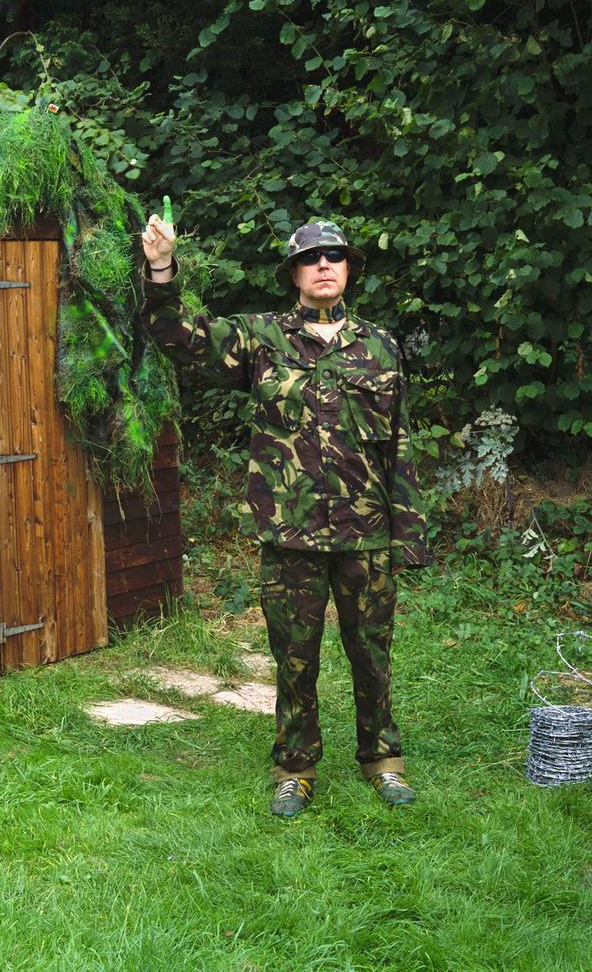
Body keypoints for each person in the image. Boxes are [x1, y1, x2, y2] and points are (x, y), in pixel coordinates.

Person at [138, 215, 433, 816]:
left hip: (365, 533)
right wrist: (163, 267)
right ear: (294, 273)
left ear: (349, 269)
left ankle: (383, 761)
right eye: (311, 258)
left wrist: (410, 532)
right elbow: (177, 335)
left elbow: (400, 443)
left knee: (372, 653)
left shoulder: (381, 347)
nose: (324, 266)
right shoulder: (262, 338)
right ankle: (295, 768)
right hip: (291, 534)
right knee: (295, 657)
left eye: (335, 256)